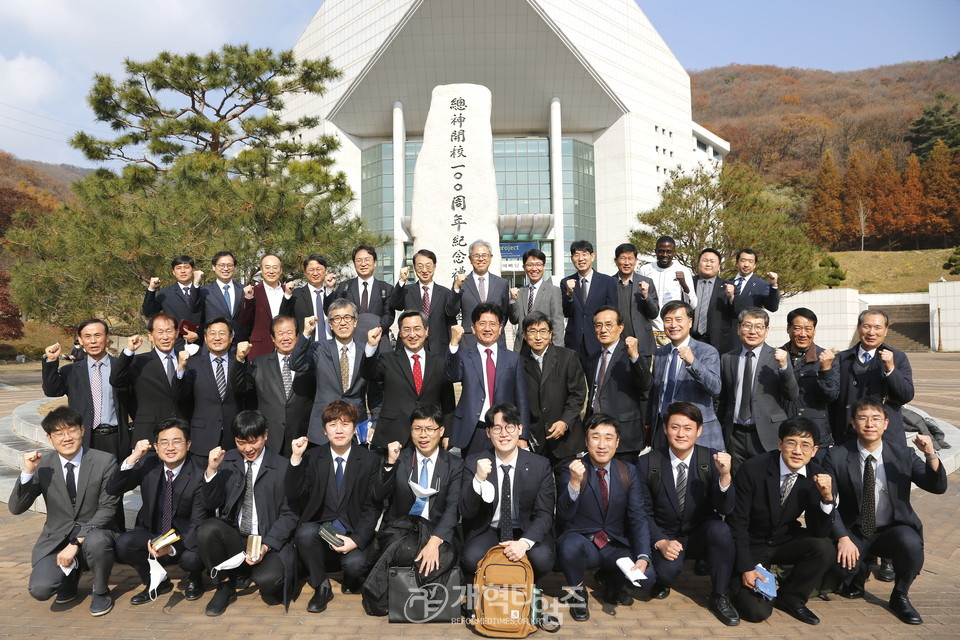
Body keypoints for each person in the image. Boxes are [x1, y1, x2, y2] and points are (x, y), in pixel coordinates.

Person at [825, 398, 947, 625]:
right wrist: (842, 537)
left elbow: (937, 487)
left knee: (910, 544)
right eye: (862, 418)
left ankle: (900, 595)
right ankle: (856, 576)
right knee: (836, 564)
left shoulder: (903, 454)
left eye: (876, 419)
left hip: (893, 529)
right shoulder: (837, 455)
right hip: (857, 530)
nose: (869, 424)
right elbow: (827, 501)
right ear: (853, 423)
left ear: (886, 424)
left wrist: (930, 454)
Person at [8, 407, 121, 616]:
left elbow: (108, 508)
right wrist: (27, 472)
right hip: (57, 538)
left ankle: (101, 590)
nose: (66, 438)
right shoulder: (43, 466)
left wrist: (76, 542)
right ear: (49, 438)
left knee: (97, 541)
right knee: (40, 589)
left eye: (71, 430)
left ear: (82, 430)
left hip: (95, 533)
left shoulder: (105, 461)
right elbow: (16, 508)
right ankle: (70, 577)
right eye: (59, 434)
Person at [636, 402, 738, 626]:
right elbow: (643, 513)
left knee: (721, 530)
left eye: (688, 427)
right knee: (664, 574)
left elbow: (725, 509)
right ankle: (664, 579)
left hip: (700, 532)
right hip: (666, 534)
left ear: (699, 430)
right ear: (664, 428)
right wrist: (660, 541)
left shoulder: (712, 460)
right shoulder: (647, 463)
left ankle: (720, 595)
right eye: (674, 427)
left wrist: (725, 477)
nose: (681, 434)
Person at [727, 417, 836, 625]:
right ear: (780, 444)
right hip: (750, 544)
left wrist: (827, 498)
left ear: (814, 451)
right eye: (791, 443)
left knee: (824, 547)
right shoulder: (753, 469)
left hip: (783, 540)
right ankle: (732, 584)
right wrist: (746, 567)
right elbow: (737, 523)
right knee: (757, 612)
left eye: (805, 445)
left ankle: (791, 598)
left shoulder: (818, 476)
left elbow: (819, 530)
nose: (797, 451)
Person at [362, 403, 464, 616]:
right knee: (404, 546)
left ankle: (394, 589)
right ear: (410, 430)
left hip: (435, 530)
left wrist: (434, 542)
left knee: (446, 552)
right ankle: (430, 589)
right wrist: (390, 463)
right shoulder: (401, 458)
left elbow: (453, 508)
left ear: (441, 431)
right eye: (417, 429)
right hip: (402, 529)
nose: (423, 435)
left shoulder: (454, 464)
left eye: (429, 429)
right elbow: (378, 495)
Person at [196, 410, 298, 616]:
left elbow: (290, 514)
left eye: (254, 441)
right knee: (207, 530)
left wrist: (267, 545)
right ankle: (224, 586)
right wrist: (211, 471)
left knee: (269, 584)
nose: (248, 448)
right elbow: (209, 503)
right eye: (241, 442)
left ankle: (248, 573)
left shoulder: (283, 466)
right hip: (236, 537)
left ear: (266, 435)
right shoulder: (226, 461)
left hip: (267, 539)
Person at [285, 401, 381, 613]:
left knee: (356, 565)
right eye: (333, 424)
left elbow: (373, 507)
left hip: (352, 530)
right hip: (321, 529)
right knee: (305, 533)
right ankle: (322, 586)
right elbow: (294, 493)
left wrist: (356, 540)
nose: (339, 430)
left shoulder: (369, 460)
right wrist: (296, 458)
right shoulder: (311, 457)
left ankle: (349, 576)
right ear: (324, 430)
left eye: (345, 424)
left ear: (354, 429)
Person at [556, 413, 653, 621]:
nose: (602, 444)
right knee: (568, 546)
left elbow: (638, 516)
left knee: (647, 579)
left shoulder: (628, 471)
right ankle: (577, 592)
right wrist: (574, 482)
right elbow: (564, 515)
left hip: (614, 545)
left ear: (617, 442)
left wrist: (644, 556)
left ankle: (610, 580)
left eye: (608, 438)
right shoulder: (571, 468)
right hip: (583, 543)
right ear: (586, 440)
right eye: (595, 437)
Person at [107, 418, 207, 604]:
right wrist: (133, 457)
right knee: (124, 544)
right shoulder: (147, 463)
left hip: (184, 535)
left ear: (188, 444)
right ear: (156, 446)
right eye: (164, 442)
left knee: (191, 558)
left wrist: (172, 548)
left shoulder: (200, 472)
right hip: (152, 531)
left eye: (177, 441)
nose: (170, 448)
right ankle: (156, 582)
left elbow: (198, 523)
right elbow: (113, 488)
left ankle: (195, 578)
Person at [459, 404, 556, 581]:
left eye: (510, 427)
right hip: (489, 529)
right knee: (470, 558)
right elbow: (466, 511)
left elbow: (544, 514)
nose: (504, 434)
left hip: (525, 528)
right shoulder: (474, 462)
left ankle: (526, 586)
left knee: (543, 559)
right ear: (488, 432)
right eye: (497, 428)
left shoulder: (540, 465)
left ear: (520, 429)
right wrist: (478, 480)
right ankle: (495, 587)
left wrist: (524, 543)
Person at [289, 300, 382, 446]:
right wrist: (306, 333)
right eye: (337, 319)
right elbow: (296, 364)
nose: (343, 323)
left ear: (355, 322)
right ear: (330, 324)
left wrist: (375, 424)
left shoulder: (367, 350)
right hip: (322, 429)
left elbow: (375, 394)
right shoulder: (319, 348)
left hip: (355, 427)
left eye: (347, 318)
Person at [361, 310, 455, 450]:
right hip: (393, 436)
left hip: (428, 436)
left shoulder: (439, 363)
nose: (412, 335)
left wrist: (447, 433)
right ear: (400, 333)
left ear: (426, 330)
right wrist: (371, 346)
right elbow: (368, 373)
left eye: (417, 329)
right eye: (406, 329)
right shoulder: (388, 359)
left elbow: (448, 402)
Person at [444, 303, 530, 456]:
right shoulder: (464, 357)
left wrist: (523, 436)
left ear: (500, 328)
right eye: (482, 324)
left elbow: (522, 399)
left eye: (493, 324)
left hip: (505, 431)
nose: (487, 329)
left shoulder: (513, 359)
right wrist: (454, 343)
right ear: (473, 327)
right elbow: (451, 376)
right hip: (474, 430)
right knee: (473, 476)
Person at [718, 308, 799, 470]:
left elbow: (792, 394)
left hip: (767, 434)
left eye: (759, 327)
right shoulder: (727, 358)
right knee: (738, 483)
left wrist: (784, 367)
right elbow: (723, 399)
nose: (752, 331)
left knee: (766, 483)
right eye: (747, 326)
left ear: (767, 331)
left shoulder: (778, 357)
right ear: (738, 328)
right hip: (735, 436)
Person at [42, 318, 129, 459]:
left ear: (107, 338)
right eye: (87, 336)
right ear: (80, 340)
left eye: (97, 335)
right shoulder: (71, 371)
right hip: (83, 438)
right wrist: (51, 361)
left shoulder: (122, 367)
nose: (93, 341)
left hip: (115, 438)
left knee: (114, 480)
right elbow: (52, 391)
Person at [232, 315, 315, 457]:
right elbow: (241, 387)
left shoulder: (311, 362)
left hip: (302, 437)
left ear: (297, 335)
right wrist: (240, 360)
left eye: (289, 332)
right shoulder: (259, 363)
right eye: (280, 333)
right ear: (272, 338)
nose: (285, 338)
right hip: (270, 438)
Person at [831, 309, 914, 446]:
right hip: (848, 436)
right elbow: (833, 401)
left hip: (886, 438)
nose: (871, 332)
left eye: (877, 328)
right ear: (858, 328)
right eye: (866, 326)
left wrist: (891, 369)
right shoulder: (841, 359)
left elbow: (906, 395)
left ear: (886, 331)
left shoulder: (898, 357)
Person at [647, 301, 723, 451]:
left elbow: (715, 388)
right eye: (668, 320)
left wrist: (693, 362)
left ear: (690, 322)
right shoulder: (660, 353)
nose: (673, 325)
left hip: (700, 433)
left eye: (678, 319)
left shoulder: (707, 351)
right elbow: (656, 394)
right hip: (665, 433)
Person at [519, 311, 587, 468]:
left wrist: (565, 421)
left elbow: (577, 395)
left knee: (568, 488)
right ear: (524, 334)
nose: (538, 337)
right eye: (532, 331)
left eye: (543, 331)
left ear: (550, 334)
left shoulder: (568, 357)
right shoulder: (518, 363)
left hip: (565, 440)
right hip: (534, 441)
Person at [586, 306, 652, 461]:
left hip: (624, 433)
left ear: (620, 327)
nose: (603, 330)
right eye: (598, 325)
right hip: (597, 431)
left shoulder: (631, 352)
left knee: (624, 481)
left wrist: (635, 356)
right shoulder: (593, 358)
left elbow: (646, 384)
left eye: (609, 325)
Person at [110, 312, 186, 444]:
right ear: (150, 335)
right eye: (160, 332)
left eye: (169, 331)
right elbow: (116, 381)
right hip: (148, 434)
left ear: (177, 332)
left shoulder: (186, 360)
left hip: (181, 433)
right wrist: (129, 351)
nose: (165, 337)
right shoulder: (138, 361)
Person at [179, 317, 242, 457]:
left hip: (232, 439)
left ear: (231, 337)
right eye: (212, 334)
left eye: (222, 333)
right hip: (201, 439)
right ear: (205, 338)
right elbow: (180, 396)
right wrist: (180, 370)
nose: (217, 338)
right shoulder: (192, 364)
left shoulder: (239, 363)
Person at [782, 308, 839, 447]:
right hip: (784, 433)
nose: (803, 334)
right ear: (788, 329)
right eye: (797, 328)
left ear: (814, 330)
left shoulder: (826, 358)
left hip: (816, 436)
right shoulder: (775, 357)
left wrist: (825, 370)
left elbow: (831, 396)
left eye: (808, 329)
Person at [561, 239, 619, 368]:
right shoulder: (566, 282)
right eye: (576, 255)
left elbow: (613, 312)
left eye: (584, 254)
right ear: (572, 259)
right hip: (574, 342)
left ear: (592, 256)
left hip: (598, 340)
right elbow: (566, 312)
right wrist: (569, 294)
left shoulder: (607, 281)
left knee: (597, 381)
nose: (581, 259)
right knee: (575, 384)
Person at [389, 249, 457, 354]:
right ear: (414, 268)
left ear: (434, 267)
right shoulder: (407, 290)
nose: (424, 270)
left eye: (428, 266)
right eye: (420, 266)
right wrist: (402, 280)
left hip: (438, 348)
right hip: (410, 345)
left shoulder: (445, 293)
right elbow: (395, 304)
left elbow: (452, 314)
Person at [446, 239, 510, 348]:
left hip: (495, 340)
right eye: (476, 256)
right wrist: (456, 288)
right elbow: (451, 312)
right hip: (469, 340)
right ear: (470, 259)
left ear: (491, 257)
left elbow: (505, 312)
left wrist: (498, 329)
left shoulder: (502, 283)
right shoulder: (462, 283)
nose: (481, 259)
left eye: (484, 255)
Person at [326, 245, 395, 337]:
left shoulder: (386, 288)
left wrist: (378, 329)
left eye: (367, 260)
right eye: (359, 260)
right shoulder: (344, 287)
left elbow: (389, 315)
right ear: (354, 264)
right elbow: (332, 311)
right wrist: (329, 288)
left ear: (375, 262)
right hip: (350, 339)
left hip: (377, 337)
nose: (363, 264)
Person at [638, 236, 697, 344]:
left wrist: (683, 284)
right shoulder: (645, 270)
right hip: (650, 331)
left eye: (668, 252)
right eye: (661, 251)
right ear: (655, 251)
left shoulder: (683, 270)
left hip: (673, 331)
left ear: (674, 252)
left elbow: (693, 304)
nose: (665, 255)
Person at [507, 248, 564, 351]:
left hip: (543, 347)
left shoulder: (553, 291)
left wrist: (558, 352)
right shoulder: (520, 292)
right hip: (522, 348)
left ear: (544, 267)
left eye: (538, 264)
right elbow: (514, 319)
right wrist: (513, 301)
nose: (534, 268)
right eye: (530, 265)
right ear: (524, 267)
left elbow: (558, 323)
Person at [141, 255, 203, 347]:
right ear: (173, 272)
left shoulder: (204, 292)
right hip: (176, 344)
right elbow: (148, 312)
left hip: (202, 344)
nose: (183, 271)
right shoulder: (165, 293)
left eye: (186, 267)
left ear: (193, 270)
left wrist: (198, 334)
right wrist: (151, 289)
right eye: (178, 268)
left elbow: (211, 318)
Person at [612, 242, 660, 358]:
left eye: (630, 258)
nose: (627, 262)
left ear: (636, 260)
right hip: (617, 344)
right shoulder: (608, 283)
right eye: (623, 258)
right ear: (616, 260)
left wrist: (646, 295)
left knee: (644, 376)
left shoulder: (646, 282)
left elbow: (654, 314)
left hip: (642, 344)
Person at [243, 255, 292, 360]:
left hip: (287, 347)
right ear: (261, 269)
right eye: (267, 267)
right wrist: (248, 299)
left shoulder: (289, 292)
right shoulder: (252, 292)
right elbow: (244, 322)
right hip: (260, 348)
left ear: (281, 270)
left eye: (275, 267)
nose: (271, 271)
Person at [282, 253, 337, 340]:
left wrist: (330, 288)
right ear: (305, 272)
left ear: (326, 271)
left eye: (319, 269)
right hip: (307, 346)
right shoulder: (296, 295)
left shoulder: (333, 295)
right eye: (311, 270)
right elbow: (283, 317)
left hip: (331, 344)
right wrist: (287, 295)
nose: (315, 273)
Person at [199, 251, 252, 342]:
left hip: (240, 343)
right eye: (222, 265)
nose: (226, 268)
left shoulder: (244, 290)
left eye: (229, 265)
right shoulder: (204, 291)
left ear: (234, 267)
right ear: (213, 267)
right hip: (215, 342)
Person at [691, 248, 736, 354]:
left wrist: (731, 297)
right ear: (698, 263)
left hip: (717, 342)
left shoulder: (728, 286)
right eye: (705, 260)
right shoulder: (689, 283)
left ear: (719, 266)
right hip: (691, 339)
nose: (708, 264)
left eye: (712, 261)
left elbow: (736, 313)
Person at [730, 249, 779, 315]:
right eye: (743, 260)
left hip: (748, 324)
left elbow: (772, 307)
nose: (746, 265)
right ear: (737, 262)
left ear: (755, 265)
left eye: (751, 261)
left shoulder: (762, 285)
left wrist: (773, 285)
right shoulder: (726, 283)